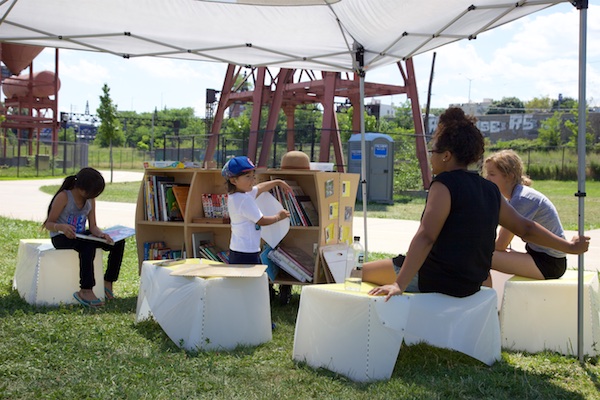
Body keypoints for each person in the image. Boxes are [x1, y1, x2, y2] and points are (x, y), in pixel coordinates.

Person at [365, 107, 589, 301]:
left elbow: (426, 236)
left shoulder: (443, 184)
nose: (430, 157)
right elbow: (526, 228)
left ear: (446, 156)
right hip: (472, 282)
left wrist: (399, 284)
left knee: (358, 273)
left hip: (438, 278)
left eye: (433, 151)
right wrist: (569, 247)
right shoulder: (490, 189)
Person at [44, 167, 126, 307]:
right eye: (92, 193)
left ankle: (108, 281)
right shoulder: (64, 197)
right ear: (81, 188)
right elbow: (48, 223)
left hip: (81, 235)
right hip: (62, 237)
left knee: (117, 242)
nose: (93, 196)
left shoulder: (90, 199)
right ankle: (85, 289)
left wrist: (101, 235)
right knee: (88, 246)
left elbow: (93, 226)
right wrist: (62, 227)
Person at [484, 149, 567, 280]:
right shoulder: (517, 196)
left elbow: (501, 244)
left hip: (549, 264)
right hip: (540, 256)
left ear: (509, 176)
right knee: (481, 252)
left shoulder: (522, 199)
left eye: (492, 174)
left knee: (479, 256)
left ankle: (484, 298)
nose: (487, 179)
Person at [222, 156, 291, 265]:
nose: (252, 180)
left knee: (243, 280)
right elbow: (261, 221)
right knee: (251, 280)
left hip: (239, 250)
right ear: (234, 180)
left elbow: (260, 188)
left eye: (253, 176)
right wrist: (279, 216)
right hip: (246, 253)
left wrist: (277, 182)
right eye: (247, 176)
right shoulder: (244, 200)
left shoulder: (236, 195)